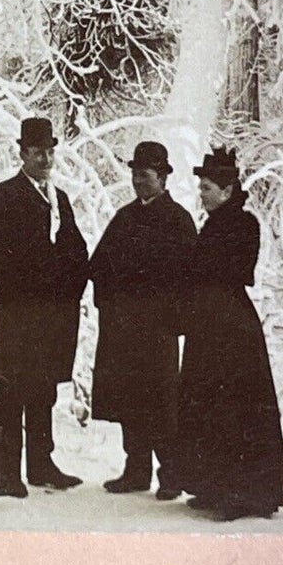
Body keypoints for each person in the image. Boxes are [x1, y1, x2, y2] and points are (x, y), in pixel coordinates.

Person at [176, 147, 283, 522]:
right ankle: (213, 486)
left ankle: (242, 493)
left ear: (227, 191)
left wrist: (196, 269)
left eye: (207, 187)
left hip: (230, 328)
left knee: (233, 407)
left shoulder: (243, 223)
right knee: (208, 402)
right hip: (210, 324)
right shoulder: (214, 222)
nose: (202, 193)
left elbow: (237, 270)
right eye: (202, 187)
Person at [0, 117, 90, 494]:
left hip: (52, 314)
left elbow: (76, 249)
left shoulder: (59, 199)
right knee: (13, 389)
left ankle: (41, 464)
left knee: (43, 388)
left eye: (50, 151)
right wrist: (29, 274)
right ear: (22, 153)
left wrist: (70, 286)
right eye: (37, 152)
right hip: (21, 310)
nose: (46, 158)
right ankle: (8, 470)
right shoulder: (3, 196)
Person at [89, 140, 196, 497]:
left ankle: (173, 475)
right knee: (129, 400)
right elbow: (99, 265)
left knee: (162, 404)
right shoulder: (124, 217)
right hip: (123, 328)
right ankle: (136, 471)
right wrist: (108, 303)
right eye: (135, 175)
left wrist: (171, 319)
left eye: (146, 176)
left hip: (157, 330)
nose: (138, 182)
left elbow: (188, 279)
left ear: (163, 178)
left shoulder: (178, 221)